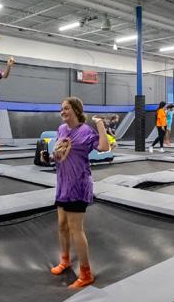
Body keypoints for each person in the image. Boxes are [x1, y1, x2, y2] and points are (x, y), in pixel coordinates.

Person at [50, 97, 109, 289]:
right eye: (61, 109)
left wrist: (99, 124)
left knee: (75, 228)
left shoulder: (86, 131)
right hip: (63, 184)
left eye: (66, 108)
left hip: (78, 185)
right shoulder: (61, 129)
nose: (63, 111)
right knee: (62, 225)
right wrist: (49, 156)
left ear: (76, 110)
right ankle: (65, 260)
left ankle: (86, 273)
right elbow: (59, 152)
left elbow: (104, 147)